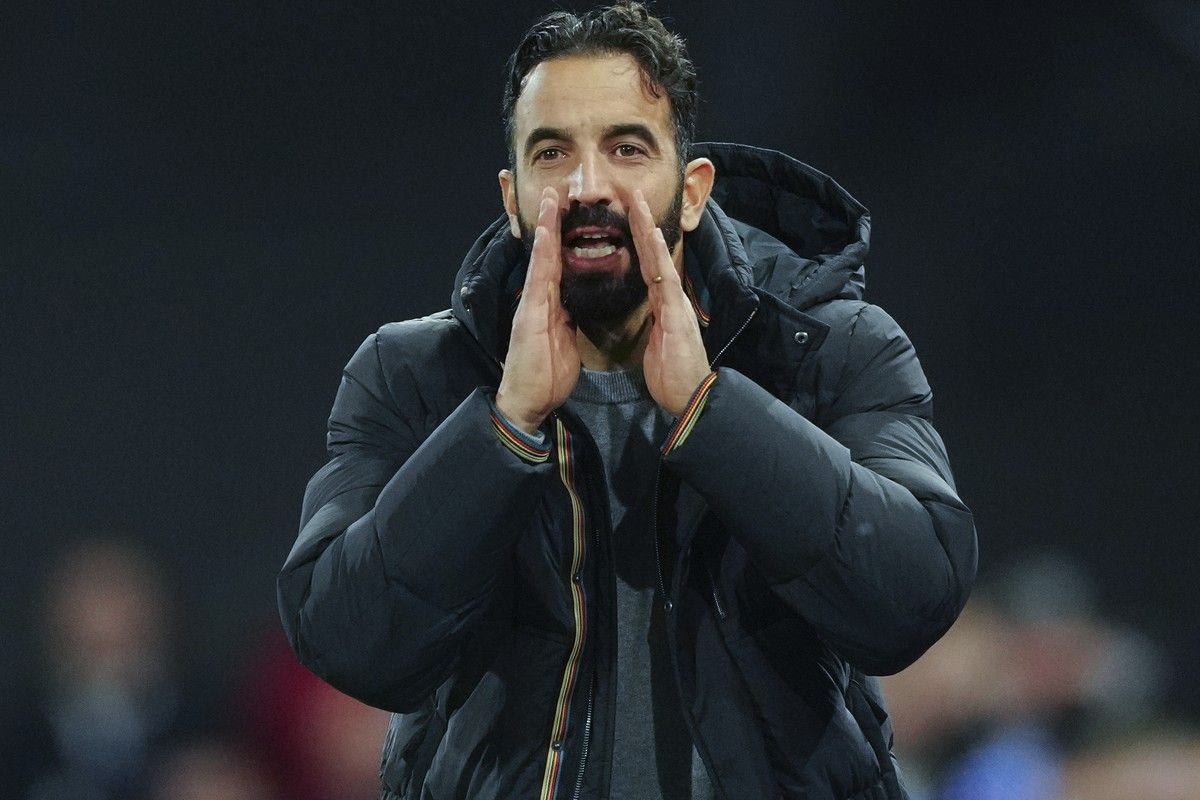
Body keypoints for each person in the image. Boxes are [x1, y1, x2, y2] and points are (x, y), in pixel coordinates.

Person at [277, 2, 978, 798]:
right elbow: (350, 644)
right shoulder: (412, 373)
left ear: (693, 189)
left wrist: (714, 411)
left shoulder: (827, 348)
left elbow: (910, 602)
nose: (587, 186)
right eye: (552, 153)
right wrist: (505, 427)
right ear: (512, 197)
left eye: (627, 148)